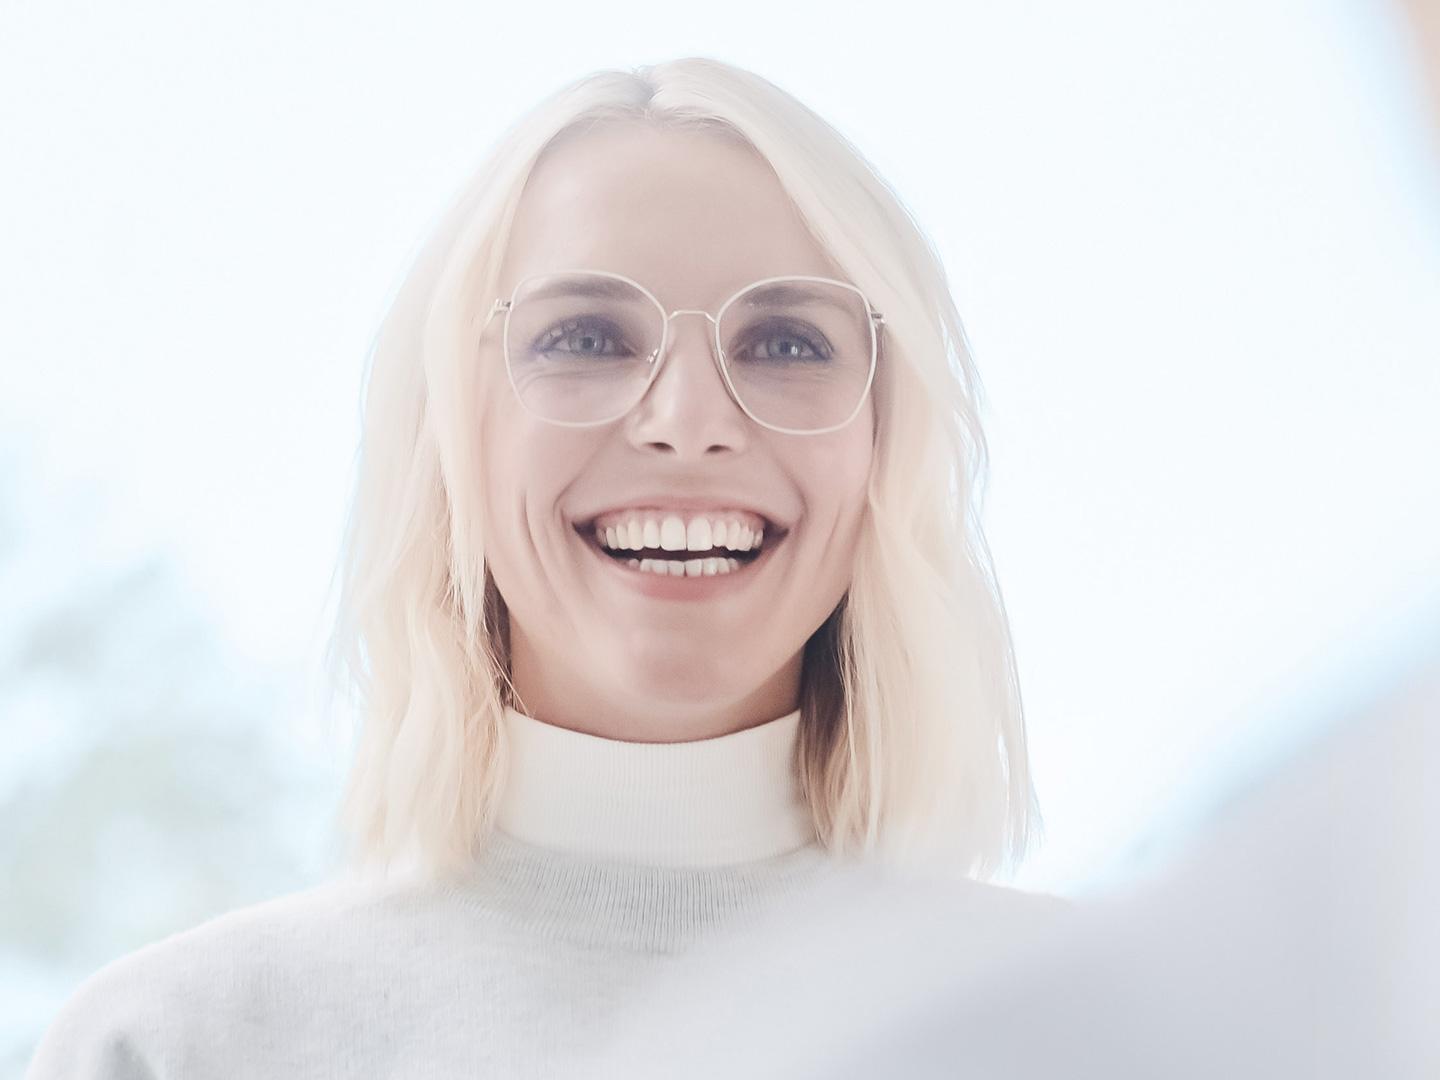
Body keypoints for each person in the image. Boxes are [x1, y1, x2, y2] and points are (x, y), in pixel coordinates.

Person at [24, 56, 1065, 1078]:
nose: (688, 423)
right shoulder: (176, 1046)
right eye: (586, 337)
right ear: (450, 434)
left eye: (787, 343)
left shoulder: (1094, 1029)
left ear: (889, 435)